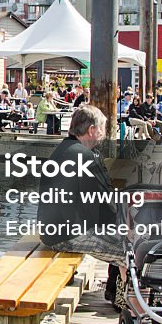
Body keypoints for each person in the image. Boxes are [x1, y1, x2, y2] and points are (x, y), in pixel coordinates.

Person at [36, 105, 123, 264]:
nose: (102, 135)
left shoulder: (62, 150)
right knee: (131, 252)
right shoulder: (85, 156)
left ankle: (117, 286)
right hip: (68, 237)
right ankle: (121, 287)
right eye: (101, 130)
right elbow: (106, 202)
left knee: (122, 239)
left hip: (51, 232)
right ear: (91, 130)